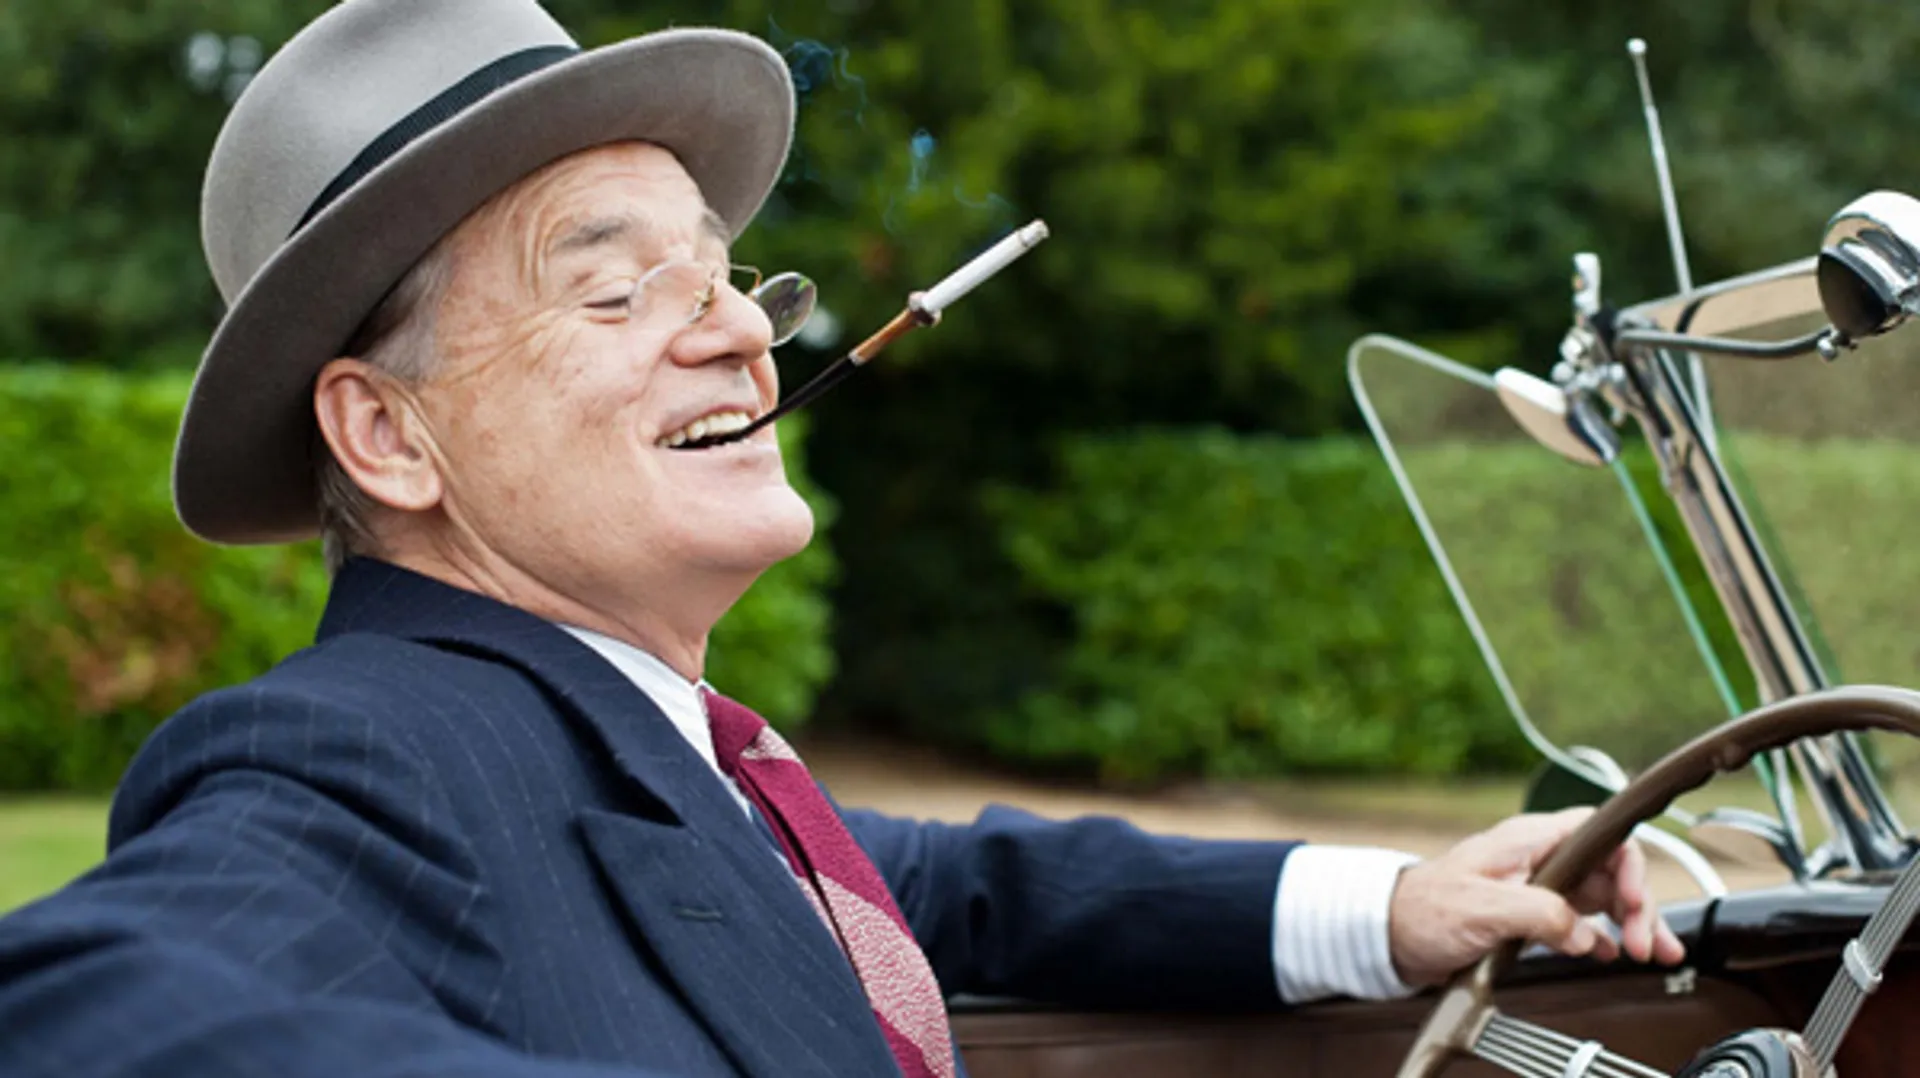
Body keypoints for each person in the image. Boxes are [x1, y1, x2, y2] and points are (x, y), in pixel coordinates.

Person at [0, 1, 1685, 1076]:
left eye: (728, 276)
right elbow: (76, 1006)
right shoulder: (354, 755)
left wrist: (1395, 898)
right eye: (615, 290)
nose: (746, 330)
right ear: (386, 433)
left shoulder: (672, 764)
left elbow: (943, 886)